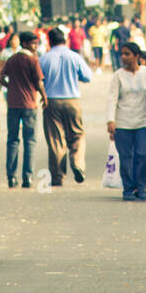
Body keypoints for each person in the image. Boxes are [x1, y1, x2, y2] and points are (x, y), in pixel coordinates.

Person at [40, 26, 92, 186]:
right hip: (72, 100)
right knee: (77, 134)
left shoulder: (44, 58)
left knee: (55, 139)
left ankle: (57, 177)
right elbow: (87, 77)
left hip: (51, 101)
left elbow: (38, 80)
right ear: (65, 40)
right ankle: (77, 163)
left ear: (50, 41)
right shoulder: (74, 57)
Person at [107, 41, 146, 200]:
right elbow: (112, 99)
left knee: (145, 152)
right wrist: (110, 120)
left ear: (137, 56)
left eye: (127, 54)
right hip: (123, 122)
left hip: (144, 120)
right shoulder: (118, 75)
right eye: (122, 54)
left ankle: (141, 187)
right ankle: (128, 189)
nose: (123, 57)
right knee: (126, 156)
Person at [0, 30, 47, 187]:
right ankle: (27, 176)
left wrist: (11, 87)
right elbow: (39, 82)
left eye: (36, 43)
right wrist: (44, 97)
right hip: (29, 105)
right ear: (25, 43)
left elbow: (1, 77)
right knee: (30, 141)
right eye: (32, 43)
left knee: (12, 140)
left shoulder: (12, 59)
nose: (35, 46)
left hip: (13, 104)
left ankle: (11, 176)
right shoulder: (33, 60)